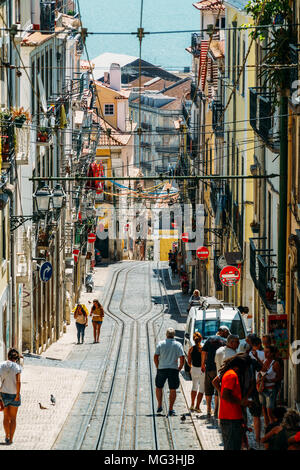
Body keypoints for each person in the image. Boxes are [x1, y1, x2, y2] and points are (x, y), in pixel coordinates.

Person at [215, 353, 252, 450]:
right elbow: (226, 395)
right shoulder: (231, 375)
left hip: (232, 417)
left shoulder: (230, 374)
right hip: (230, 418)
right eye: (247, 367)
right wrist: (241, 402)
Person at [154, 327, 184, 416]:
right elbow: (182, 358)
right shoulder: (178, 345)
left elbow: (155, 356)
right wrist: (179, 367)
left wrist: (157, 366)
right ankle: (171, 408)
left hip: (162, 368)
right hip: (173, 369)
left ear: (166, 335)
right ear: (174, 335)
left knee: (159, 387)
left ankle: (159, 405)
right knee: (173, 389)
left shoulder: (161, 344)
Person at [201, 326, 230, 417]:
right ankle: (216, 410)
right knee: (217, 389)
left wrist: (202, 364)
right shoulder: (225, 341)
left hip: (209, 367)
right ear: (223, 332)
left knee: (208, 389)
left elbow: (204, 352)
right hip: (219, 369)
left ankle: (209, 409)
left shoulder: (210, 339)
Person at [0, 349, 22, 445]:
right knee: (13, 418)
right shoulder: (17, 367)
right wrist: (17, 394)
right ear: (16, 359)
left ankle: (7, 435)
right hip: (14, 394)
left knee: (5, 416)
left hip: (3, 393)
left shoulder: (1, 365)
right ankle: (11, 439)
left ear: (8, 356)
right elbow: (18, 381)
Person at [258, 345, 283, 427]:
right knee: (264, 410)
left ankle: (273, 429)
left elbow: (279, 377)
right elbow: (259, 373)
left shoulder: (275, 364)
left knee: (270, 412)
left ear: (272, 353)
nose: (265, 354)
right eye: (265, 352)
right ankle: (267, 427)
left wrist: (269, 380)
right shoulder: (264, 361)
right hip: (262, 389)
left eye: (267, 352)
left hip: (271, 390)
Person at [187, 332, 205, 413]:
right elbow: (204, 360)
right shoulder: (203, 349)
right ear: (201, 339)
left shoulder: (191, 349)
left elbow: (189, 361)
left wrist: (191, 367)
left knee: (194, 387)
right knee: (201, 388)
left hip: (194, 369)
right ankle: (197, 406)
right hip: (201, 370)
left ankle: (192, 404)